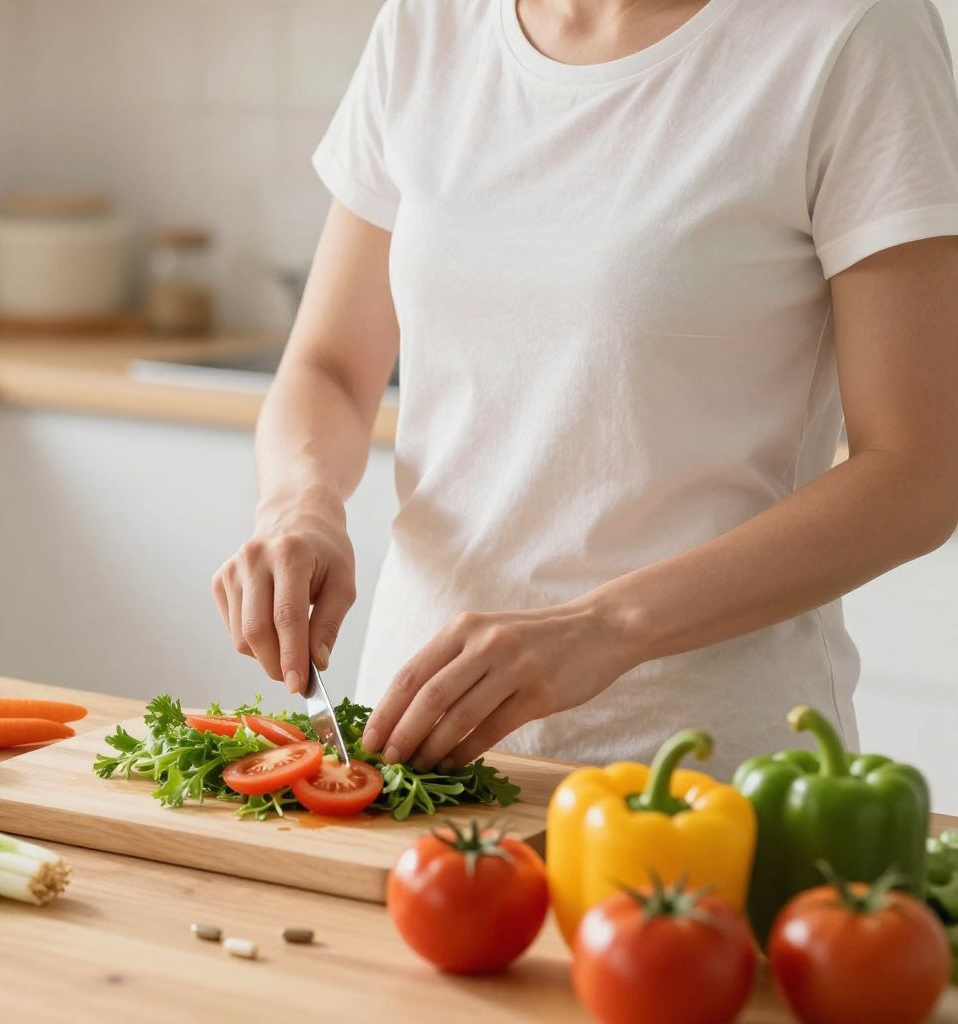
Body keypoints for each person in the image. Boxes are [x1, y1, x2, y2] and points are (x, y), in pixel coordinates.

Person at [212, 0, 958, 774]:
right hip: (418, 745)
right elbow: (329, 365)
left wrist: (603, 627)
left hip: (699, 771)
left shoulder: (853, 32)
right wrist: (300, 504)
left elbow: (916, 475)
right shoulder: (427, 23)